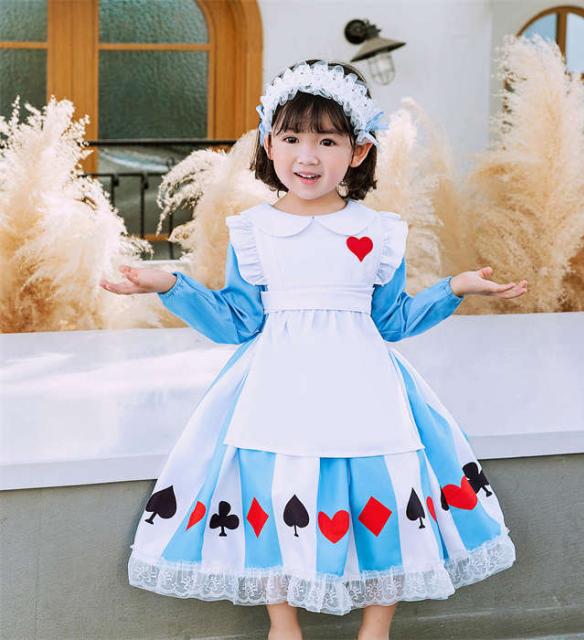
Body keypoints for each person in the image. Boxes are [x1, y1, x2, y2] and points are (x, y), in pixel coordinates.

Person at [101, 59, 526, 640]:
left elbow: (393, 320)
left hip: (365, 387)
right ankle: (284, 626)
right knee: (275, 495)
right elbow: (236, 320)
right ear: (268, 145)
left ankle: (376, 629)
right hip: (277, 387)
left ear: (358, 151)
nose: (308, 155)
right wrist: (168, 283)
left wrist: (455, 288)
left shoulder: (379, 232)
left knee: (383, 494)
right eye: (292, 138)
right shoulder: (254, 230)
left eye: (327, 141)